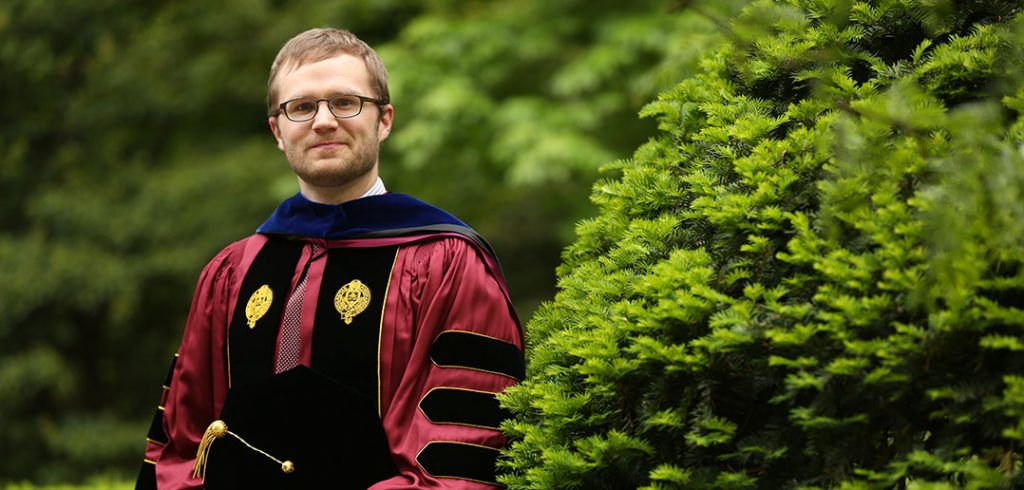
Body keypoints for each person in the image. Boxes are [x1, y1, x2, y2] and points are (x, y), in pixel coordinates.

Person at [136, 27, 524, 489]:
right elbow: (182, 447)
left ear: (384, 120)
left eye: (345, 102)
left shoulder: (447, 264)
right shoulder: (232, 272)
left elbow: (461, 452)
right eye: (301, 107)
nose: (323, 121)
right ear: (278, 131)